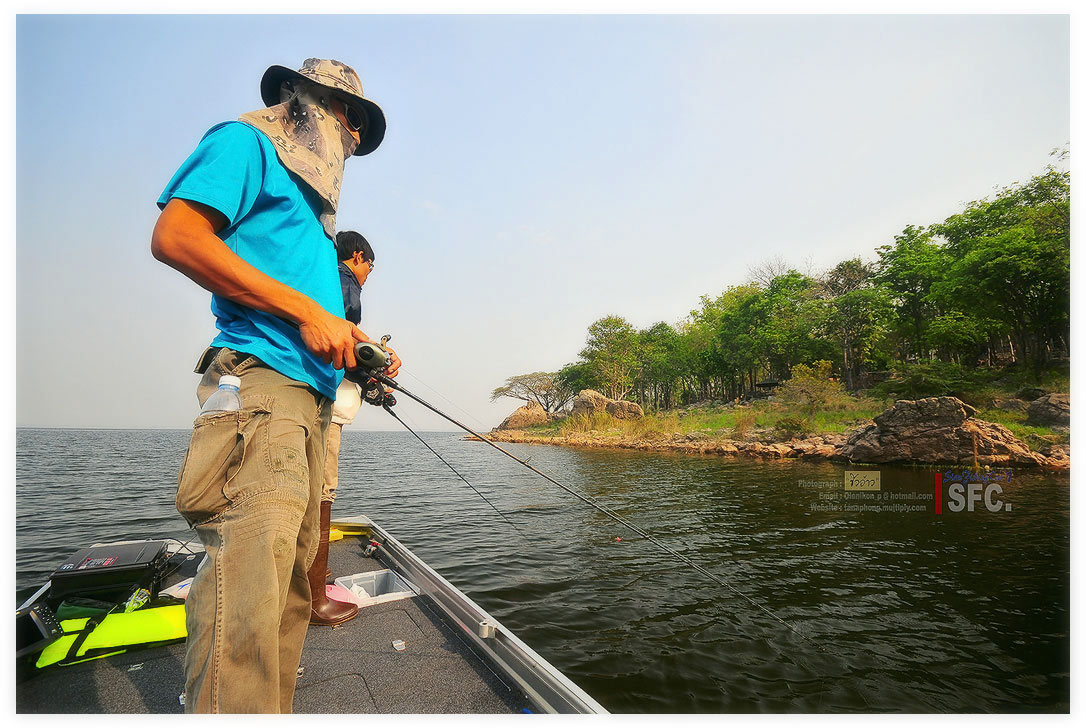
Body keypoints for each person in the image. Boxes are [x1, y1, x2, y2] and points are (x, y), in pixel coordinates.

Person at [150, 58, 401, 714]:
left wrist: (359, 356)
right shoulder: (246, 141)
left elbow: (308, 314)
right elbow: (175, 236)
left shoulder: (318, 221)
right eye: (350, 118)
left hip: (309, 404)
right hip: (263, 395)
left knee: (289, 595)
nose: (352, 137)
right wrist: (309, 313)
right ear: (313, 100)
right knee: (248, 603)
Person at [309, 230, 376, 625]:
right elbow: (340, 340)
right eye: (370, 265)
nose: (368, 274)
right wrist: (368, 369)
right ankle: (315, 596)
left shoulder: (315, 276)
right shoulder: (345, 281)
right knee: (322, 488)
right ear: (357, 256)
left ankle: (308, 575)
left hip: (308, 394)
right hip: (323, 402)